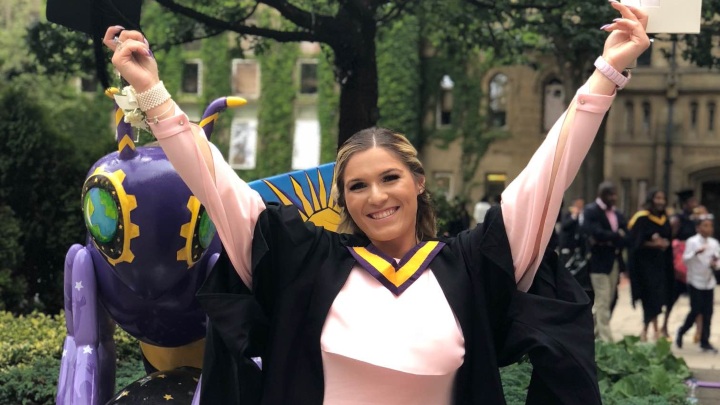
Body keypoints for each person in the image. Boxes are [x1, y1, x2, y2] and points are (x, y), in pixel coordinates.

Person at [103, 3, 649, 403]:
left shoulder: (471, 267)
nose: (376, 196)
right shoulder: (305, 262)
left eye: (389, 178)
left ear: (418, 182)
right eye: (357, 186)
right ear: (342, 199)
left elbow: (545, 181)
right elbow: (218, 187)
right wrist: (153, 94)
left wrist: (606, 76)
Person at [582, 182, 627, 342]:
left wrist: (611, 236)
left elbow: (625, 233)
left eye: (615, 194)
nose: (613, 198)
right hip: (598, 262)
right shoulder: (591, 210)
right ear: (601, 194)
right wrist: (615, 235)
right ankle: (607, 340)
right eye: (610, 194)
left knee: (609, 300)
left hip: (614, 260)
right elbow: (594, 233)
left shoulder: (616, 213)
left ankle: (587, 332)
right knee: (602, 300)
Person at [628, 189, 674, 342]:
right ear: (651, 199)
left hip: (660, 265)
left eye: (663, 198)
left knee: (657, 297)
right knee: (649, 298)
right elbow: (635, 242)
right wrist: (654, 244)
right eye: (657, 198)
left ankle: (648, 330)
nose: (660, 201)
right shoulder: (642, 218)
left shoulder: (664, 218)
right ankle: (651, 330)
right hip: (644, 266)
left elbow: (668, 238)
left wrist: (665, 243)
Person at [677, 214, 719, 353]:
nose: (708, 229)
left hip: (708, 281)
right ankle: (682, 331)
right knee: (696, 310)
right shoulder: (692, 242)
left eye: (710, 226)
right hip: (695, 280)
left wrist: (715, 264)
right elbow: (685, 260)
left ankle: (704, 341)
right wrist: (696, 253)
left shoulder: (714, 243)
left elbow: (718, 261)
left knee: (708, 312)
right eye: (705, 225)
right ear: (698, 228)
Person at [667, 189, 701, 341]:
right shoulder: (678, 219)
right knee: (672, 297)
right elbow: (671, 238)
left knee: (698, 300)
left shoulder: (695, 219)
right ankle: (664, 326)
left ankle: (699, 332)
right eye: (692, 201)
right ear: (686, 203)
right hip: (679, 264)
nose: (695, 204)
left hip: (693, 263)